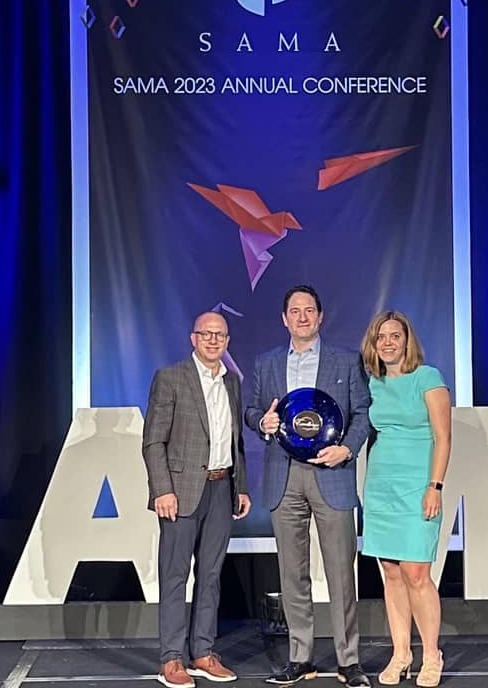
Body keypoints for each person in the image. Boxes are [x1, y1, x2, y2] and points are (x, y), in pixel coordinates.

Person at [245, 285, 372, 687]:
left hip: (331, 475)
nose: (302, 317)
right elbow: (251, 409)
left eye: (309, 310)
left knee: (340, 571)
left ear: (320, 317)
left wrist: (347, 451)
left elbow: (363, 413)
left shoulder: (346, 361)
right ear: (284, 319)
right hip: (284, 476)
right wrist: (260, 423)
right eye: (294, 311)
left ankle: (348, 660)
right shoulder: (265, 364)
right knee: (291, 573)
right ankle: (300, 657)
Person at [143, 311, 252, 688]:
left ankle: (203, 652)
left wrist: (242, 487)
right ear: (193, 338)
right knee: (175, 577)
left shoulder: (232, 383)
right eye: (205, 334)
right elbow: (154, 440)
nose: (212, 340)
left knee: (210, 576)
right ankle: (171, 659)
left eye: (219, 334)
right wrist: (162, 489)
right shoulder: (171, 378)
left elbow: (236, 443)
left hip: (221, 489)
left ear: (227, 340)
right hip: (180, 492)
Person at [359, 311, 452, 688]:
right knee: (392, 573)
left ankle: (432, 654)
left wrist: (435, 486)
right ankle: (401, 654)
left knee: (417, 572)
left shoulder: (428, 378)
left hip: (418, 484)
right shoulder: (373, 383)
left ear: (407, 340)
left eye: (394, 336)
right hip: (381, 484)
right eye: (381, 337)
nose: (387, 342)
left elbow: (443, 437)